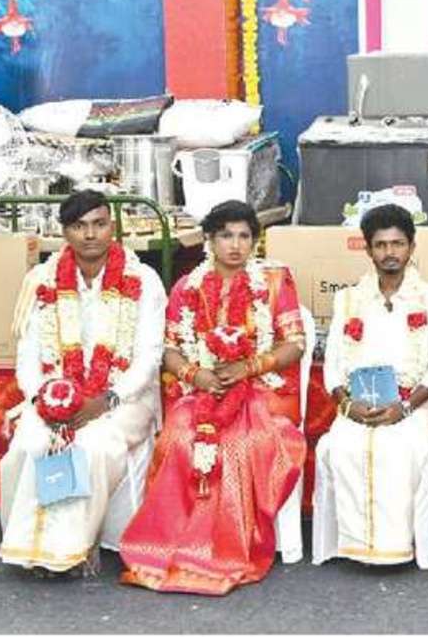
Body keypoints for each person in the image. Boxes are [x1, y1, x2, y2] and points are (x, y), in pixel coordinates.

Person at [119, 200, 307, 595]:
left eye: (244, 236)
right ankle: (174, 545)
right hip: (201, 391)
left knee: (241, 444)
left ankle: (225, 548)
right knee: (179, 437)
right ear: (209, 240)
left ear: (255, 241)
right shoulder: (187, 287)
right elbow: (171, 350)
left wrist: (248, 368)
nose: (235, 245)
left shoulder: (275, 282)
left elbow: (295, 344)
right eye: (226, 236)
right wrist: (197, 375)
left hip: (261, 391)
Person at [0, 190, 164, 575]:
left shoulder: (144, 279)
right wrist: (42, 402)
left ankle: (72, 550)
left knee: (92, 445)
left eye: (99, 224)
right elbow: (27, 357)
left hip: (124, 399)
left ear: (112, 228)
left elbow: (149, 357)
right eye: (79, 226)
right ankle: (29, 547)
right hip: (55, 397)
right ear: (64, 232)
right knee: (29, 443)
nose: (90, 234)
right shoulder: (41, 280)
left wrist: (105, 401)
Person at [314, 204, 428, 567]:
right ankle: (355, 545)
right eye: (380, 245)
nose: (389, 252)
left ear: (412, 247)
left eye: (397, 244)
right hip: (359, 405)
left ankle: (395, 547)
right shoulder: (348, 299)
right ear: (368, 250)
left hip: (414, 406)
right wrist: (348, 405)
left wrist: (404, 408)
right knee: (343, 445)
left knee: (397, 447)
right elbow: (333, 365)